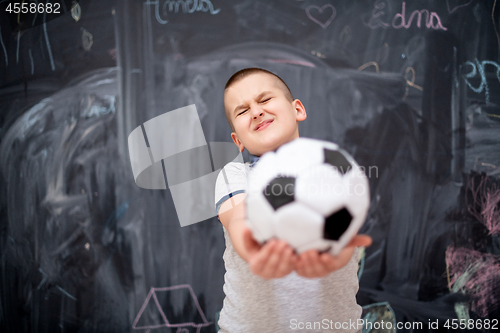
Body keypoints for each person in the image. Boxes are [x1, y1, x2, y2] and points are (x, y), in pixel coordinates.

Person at [214, 68, 372, 332]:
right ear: (237, 140)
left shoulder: (337, 168)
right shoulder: (235, 175)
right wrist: (257, 249)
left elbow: (345, 236)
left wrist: (334, 255)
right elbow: (239, 221)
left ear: (297, 109)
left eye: (264, 100)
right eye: (242, 111)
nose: (256, 111)